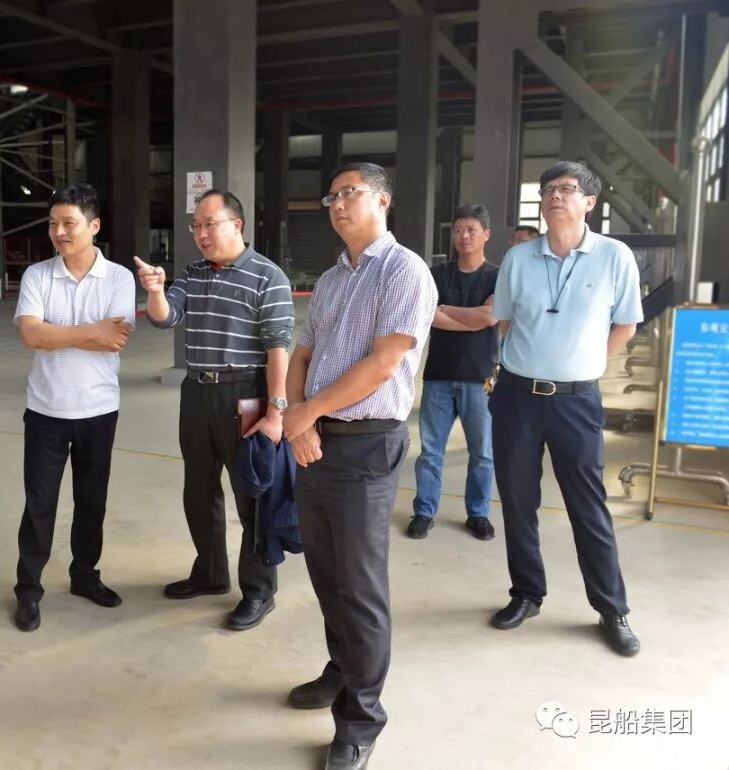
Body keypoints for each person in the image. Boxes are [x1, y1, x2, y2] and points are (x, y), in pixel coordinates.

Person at [282, 163, 436, 769]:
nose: (338, 203)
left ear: (384, 201)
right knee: (326, 574)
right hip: (316, 440)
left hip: (367, 444)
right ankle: (342, 669)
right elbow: (302, 353)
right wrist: (299, 419)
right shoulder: (331, 279)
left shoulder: (404, 270)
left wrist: (307, 412)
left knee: (360, 586)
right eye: (332, 196)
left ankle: (361, 721)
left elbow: (383, 365)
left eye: (351, 192)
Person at [488, 160, 643, 657]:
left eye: (567, 189)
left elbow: (626, 324)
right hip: (516, 396)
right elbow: (506, 322)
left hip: (576, 400)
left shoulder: (614, 256)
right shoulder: (518, 258)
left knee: (587, 505)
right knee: (517, 500)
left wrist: (586, 363)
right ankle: (526, 593)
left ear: (589, 202)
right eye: (548, 189)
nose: (555, 196)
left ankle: (611, 608)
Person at [134, 189, 294, 631]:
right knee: (199, 491)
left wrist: (276, 411)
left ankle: (259, 590)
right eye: (196, 226)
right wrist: (156, 291)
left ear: (236, 225)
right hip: (197, 393)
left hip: (248, 394)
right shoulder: (192, 273)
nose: (200, 234)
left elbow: (278, 347)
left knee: (252, 495)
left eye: (209, 224)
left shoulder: (268, 276)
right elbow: (166, 317)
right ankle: (210, 573)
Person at [11, 183, 136, 632]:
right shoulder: (37, 275)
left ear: (94, 226)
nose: (59, 232)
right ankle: (28, 590)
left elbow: (114, 340)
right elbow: (31, 335)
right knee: (39, 504)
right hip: (45, 409)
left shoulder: (118, 278)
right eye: (53, 223)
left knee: (91, 501)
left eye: (69, 223)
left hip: (98, 409)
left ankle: (85, 576)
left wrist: (56, 333)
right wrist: (90, 331)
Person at [409, 203, 499, 541]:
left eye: (471, 230)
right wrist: (473, 318)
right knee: (431, 452)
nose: (464, 236)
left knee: (483, 453)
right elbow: (428, 315)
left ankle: (478, 514)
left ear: (486, 234)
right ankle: (424, 512)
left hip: (481, 377)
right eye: (458, 230)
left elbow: (491, 317)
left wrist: (448, 310)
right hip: (439, 375)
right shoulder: (437, 275)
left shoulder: (497, 276)